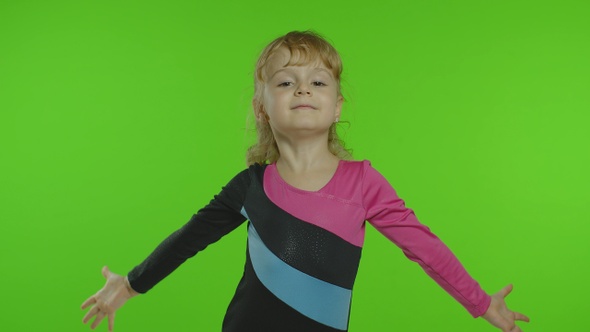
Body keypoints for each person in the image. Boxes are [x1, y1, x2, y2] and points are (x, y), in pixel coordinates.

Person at [81, 30, 529, 332]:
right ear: (262, 108)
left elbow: (424, 248)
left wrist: (481, 302)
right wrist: (129, 284)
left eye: (317, 81)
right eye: (285, 82)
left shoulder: (364, 183)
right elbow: (186, 240)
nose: (302, 90)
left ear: (336, 107)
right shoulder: (250, 187)